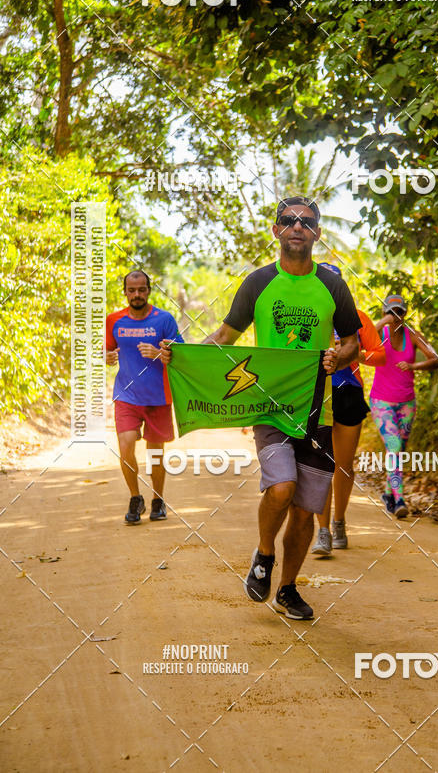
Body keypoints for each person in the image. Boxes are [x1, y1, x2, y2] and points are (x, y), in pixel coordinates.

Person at [162, 198, 360, 620]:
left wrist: (337, 358)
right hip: (269, 407)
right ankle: (264, 552)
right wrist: (182, 354)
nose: (297, 227)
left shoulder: (332, 285)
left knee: (306, 509)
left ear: (317, 233)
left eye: (306, 222)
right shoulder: (257, 283)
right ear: (276, 231)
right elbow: (225, 336)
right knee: (282, 488)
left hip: (317, 409)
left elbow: (353, 342)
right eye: (288, 221)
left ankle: (288, 590)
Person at [311, 263, 385, 556]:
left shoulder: (358, 318)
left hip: (349, 393)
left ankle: (339, 521)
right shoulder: (309, 315)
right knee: (320, 465)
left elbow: (380, 357)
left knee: (343, 464)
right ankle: (323, 531)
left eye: (333, 284)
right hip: (318, 394)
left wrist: (352, 351)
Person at [105, 270, 183, 524]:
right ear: (125, 292)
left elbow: (181, 353)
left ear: (149, 290)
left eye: (141, 289)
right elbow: (106, 352)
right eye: (132, 290)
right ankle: (135, 498)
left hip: (158, 397)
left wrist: (159, 354)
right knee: (126, 445)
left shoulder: (164, 320)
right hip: (126, 395)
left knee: (155, 453)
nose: (136, 294)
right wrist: (106, 358)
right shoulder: (114, 320)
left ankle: (158, 500)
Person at [370, 294, 438, 518]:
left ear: (405, 313)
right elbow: (362, 340)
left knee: (399, 449)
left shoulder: (413, 334)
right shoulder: (380, 332)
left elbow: (436, 358)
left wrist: (414, 365)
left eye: (399, 312)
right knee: (393, 445)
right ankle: (399, 501)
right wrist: (383, 322)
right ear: (384, 313)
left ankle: (388, 493)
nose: (395, 316)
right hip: (381, 401)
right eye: (391, 312)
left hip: (407, 402)